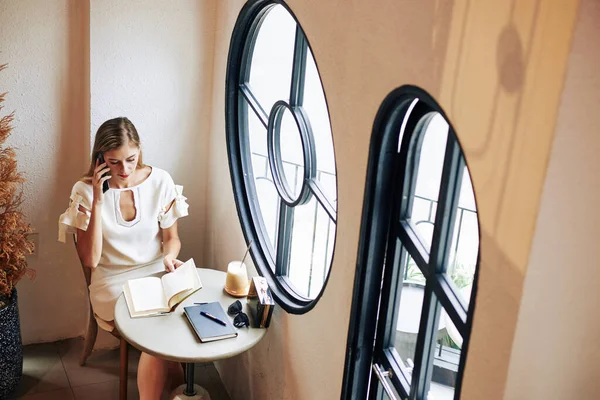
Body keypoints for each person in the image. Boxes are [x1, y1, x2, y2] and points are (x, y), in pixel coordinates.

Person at [58, 117, 189, 399]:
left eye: (131, 159)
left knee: (173, 323)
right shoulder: (83, 191)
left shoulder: (160, 181)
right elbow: (91, 261)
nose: (125, 169)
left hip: (156, 275)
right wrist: (98, 198)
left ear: (140, 150)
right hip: (111, 283)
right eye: (114, 162)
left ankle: (178, 393)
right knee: (158, 333)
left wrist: (169, 258)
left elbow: (172, 239)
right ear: (100, 159)